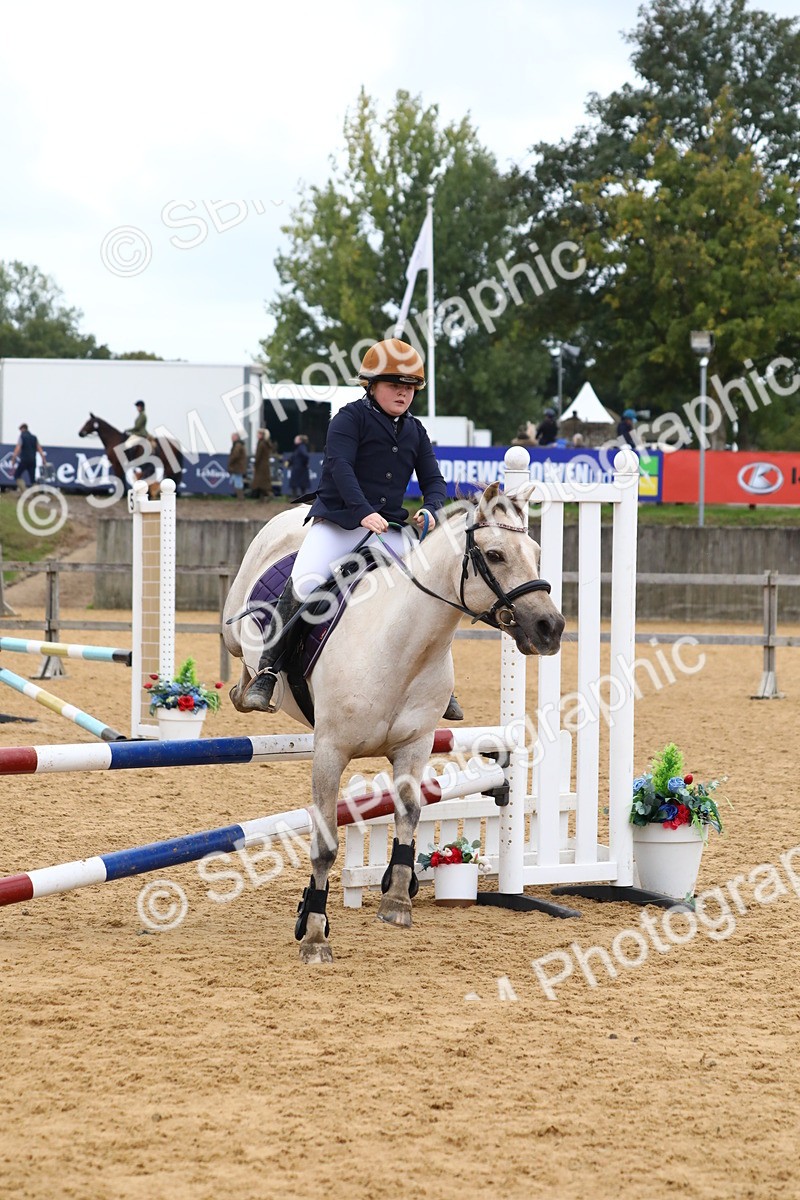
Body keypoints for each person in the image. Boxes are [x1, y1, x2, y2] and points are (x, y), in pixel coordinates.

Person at [241, 337, 462, 720]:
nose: (403, 393)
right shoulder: (348, 419)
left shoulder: (415, 431)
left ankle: (439, 685)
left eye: (409, 387)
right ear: (371, 386)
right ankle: (268, 670)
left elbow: (434, 480)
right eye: (395, 385)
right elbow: (340, 469)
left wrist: (431, 508)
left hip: (389, 528)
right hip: (340, 521)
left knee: (427, 590)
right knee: (307, 582)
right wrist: (362, 512)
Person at [10, 424, 47, 492]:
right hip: (33, 460)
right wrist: (44, 459)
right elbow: (39, 449)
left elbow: (18, 448)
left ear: (22, 429)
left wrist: (13, 458)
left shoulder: (22, 437)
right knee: (32, 479)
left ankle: (24, 492)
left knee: (17, 475)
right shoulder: (34, 437)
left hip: (24, 460)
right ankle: (35, 493)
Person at [250, 428, 274, 499]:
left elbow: (258, 455)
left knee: (260, 482)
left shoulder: (261, 444)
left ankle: (269, 495)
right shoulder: (266, 443)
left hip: (261, 466)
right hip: (264, 466)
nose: (257, 435)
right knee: (263, 482)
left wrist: (255, 464)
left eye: (258, 434)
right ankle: (263, 497)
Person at [227, 432, 248, 500]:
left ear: (236, 437)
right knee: (237, 480)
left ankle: (240, 497)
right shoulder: (239, 445)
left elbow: (235, 455)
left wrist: (230, 461)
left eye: (232, 437)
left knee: (238, 482)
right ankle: (240, 496)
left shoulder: (237, 445)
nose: (231, 438)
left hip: (238, 466)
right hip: (239, 466)